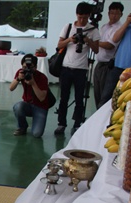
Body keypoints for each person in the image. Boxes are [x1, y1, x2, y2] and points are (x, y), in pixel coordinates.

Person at [54, 2, 100, 136]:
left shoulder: (93, 30)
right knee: (64, 98)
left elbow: (96, 50)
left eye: (85, 18)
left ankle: (77, 124)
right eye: (80, 17)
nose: (82, 20)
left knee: (80, 99)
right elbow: (59, 45)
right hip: (66, 67)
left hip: (81, 69)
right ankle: (61, 124)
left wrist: (87, 41)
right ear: (76, 15)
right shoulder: (68, 27)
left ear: (89, 16)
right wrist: (70, 39)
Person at [9, 54, 50, 138]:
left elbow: (42, 98)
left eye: (30, 67)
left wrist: (33, 83)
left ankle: (36, 120)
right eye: (24, 67)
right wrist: (18, 79)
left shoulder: (42, 77)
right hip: (28, 104)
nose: (27, 69)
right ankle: (22, 127)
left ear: (36, 67)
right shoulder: (21, 72)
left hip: (41, 107)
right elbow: (11, 88)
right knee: (18, 106)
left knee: (36, 134)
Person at [94, 2, 124, 108]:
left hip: (108, 65)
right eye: (111, 13)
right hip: (99, 63)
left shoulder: (119, 28)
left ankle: (102, 118)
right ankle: (97, 116)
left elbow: (110, 45)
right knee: (97, 93)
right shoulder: (104, 27)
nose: (113, 16)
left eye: (116, 13)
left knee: (104, 95)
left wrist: (94, 43)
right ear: (108, 13)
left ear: (121, 14)